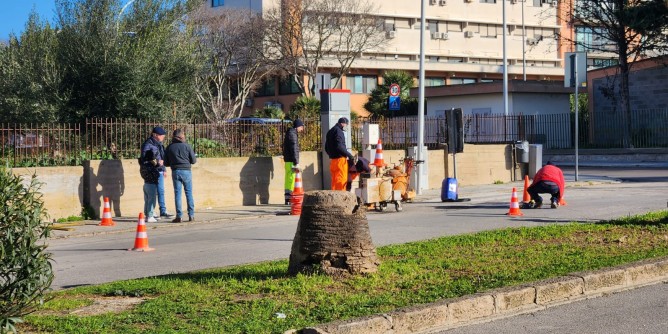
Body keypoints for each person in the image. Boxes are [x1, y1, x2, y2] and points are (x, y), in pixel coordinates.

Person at [140, 126, 174, 219]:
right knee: (151, 193)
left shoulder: (159, 144)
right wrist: (157, 163)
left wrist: (163, 169)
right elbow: (145, 158)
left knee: (161, 191)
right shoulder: (148, 144)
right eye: (161, 135)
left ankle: (163, 210)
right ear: (155, 135)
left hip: (159, 170)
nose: (163, 137)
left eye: (163, 135)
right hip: (151, 171)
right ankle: (151, 212)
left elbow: (161, 157)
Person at [164, 129, 197, 222]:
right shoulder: (187, 146)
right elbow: (194, 161)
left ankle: (179, 216)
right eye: (184, 135)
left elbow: (166, 163)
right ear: (181, 136)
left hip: (175, 171)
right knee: (189, 193)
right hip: (186, 171)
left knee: (178, 194)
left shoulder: (169, 147)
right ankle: (191, 216)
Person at [325, 117, 354, 190]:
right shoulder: (339, 131)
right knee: (341, 180)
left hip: (333, 161)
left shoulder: (330, 131)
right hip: (340, 160)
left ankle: (334, 198)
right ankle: (340, 198)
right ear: (343, 124)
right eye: (346, 124)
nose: (346, 126)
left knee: (334, 180)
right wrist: (349, 155)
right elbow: (339, 146)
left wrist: (331, 154)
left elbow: (326, 147)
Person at [282, 119, 305, 205]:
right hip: (291, 161)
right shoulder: (293, 135)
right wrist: (296, 162)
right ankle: (290, 198)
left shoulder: (289, 133)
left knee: (288, 180)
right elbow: (294, 149)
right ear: (298, 126)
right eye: (302, 127)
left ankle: (287, 199)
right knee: (292, 180)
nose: (302, 129)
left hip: (288, 160)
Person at [139, 150, 161, 223]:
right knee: (152, 201)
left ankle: (147, 215)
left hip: (146, 184)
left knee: (147, 200)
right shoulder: (150, 165)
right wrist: (156, 166)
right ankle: (150, 216)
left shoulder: (143, 164)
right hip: (151, 184)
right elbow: (156, 174)